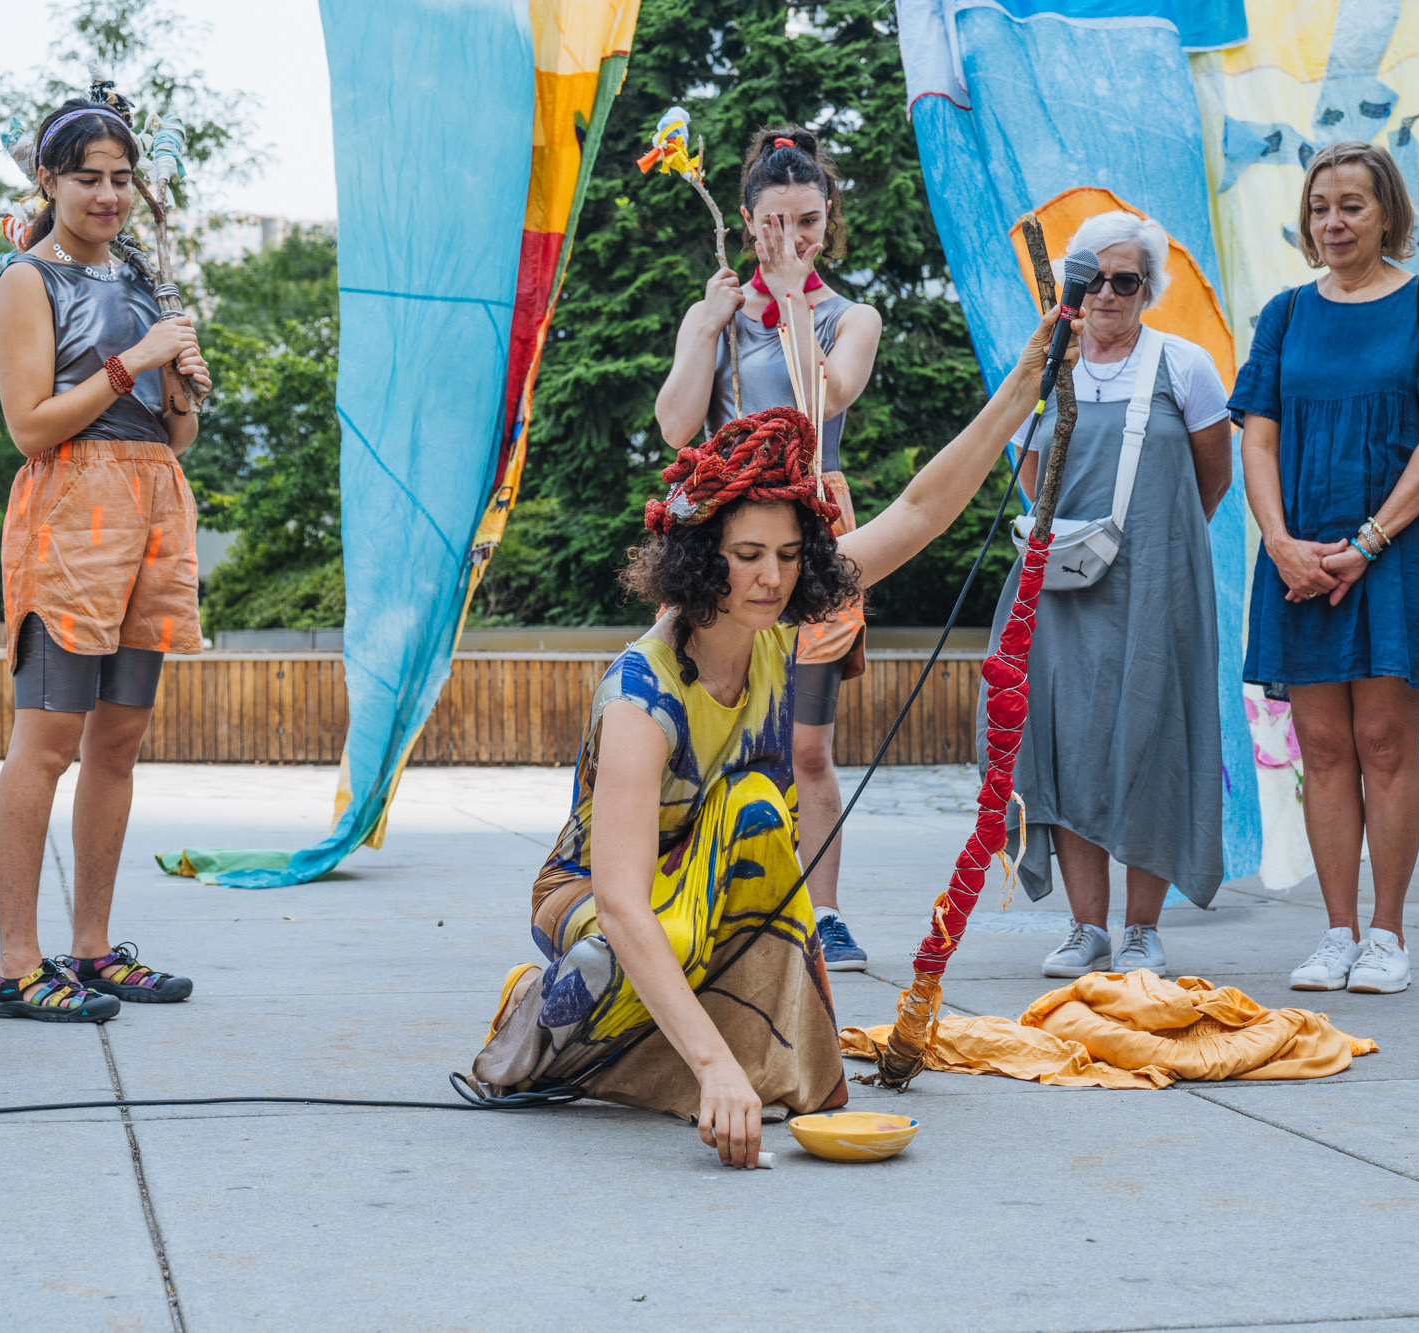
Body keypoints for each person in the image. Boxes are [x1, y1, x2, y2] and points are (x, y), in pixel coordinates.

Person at [474, 308, 1066, 1169]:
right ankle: (545, 1015)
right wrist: (714, 1065)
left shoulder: (780, 631)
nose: (772, 577)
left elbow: (919, 510)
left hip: (721, 884)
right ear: (700, 558)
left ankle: (709, 1053)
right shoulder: (642, 691)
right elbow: (629, 903)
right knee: (689, 899)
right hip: (607, 903)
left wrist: (1026, 384)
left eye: (789, 556)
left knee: (758, 812)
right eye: (748, 554)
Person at [1230, 140, 1419, 996]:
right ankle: (1335, 933)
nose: (1332, 221)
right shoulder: (1285, 314)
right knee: (1325, 744)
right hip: (1300, 554)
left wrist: (1367, 543)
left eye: (1351, 205)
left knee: (1383, 740)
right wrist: (1280, 542)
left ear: (1388, 214)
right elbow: (1256, 434)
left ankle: (1386, 934)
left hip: (1400, 552)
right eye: (1319, 207)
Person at [0, 98, 211, 1023]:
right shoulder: (25, 282)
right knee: (47, 745)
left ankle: (90, 948)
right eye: (88, 178)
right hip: (71, 512)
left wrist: (181, 384)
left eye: (121, 178)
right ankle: (14, 962)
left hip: (153, 506)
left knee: (117, 744)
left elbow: (178, 437)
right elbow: (29, 427)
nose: (109, 194)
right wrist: (131, 362)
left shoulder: (143, 281)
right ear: (50, 181)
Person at [654, 127, 882, 971]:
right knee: (702, 729)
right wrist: (710, 326)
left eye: (810, 223)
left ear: (828, 222)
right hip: (723, 540)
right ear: (748, 224)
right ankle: (692, 893)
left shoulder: (848, 317)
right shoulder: (710, 311)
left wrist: (790, 303)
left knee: (807, 743)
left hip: (812, 537)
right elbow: (678, 426)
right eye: (776, 223)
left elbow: (834, 395)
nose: (792, 240)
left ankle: (822, 913)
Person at [986, 212, 1233, 981]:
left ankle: (1141, 931)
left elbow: (1210, 479)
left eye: (1126, 280)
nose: (1107, 294)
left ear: (1148, 289)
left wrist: (1156, 546)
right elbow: (1030, 477)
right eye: (1091, 278)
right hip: (1060, 589)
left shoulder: (1184, 367)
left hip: (1158, 584)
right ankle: (1086, 927)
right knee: (1065, 741)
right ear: (1072, 285)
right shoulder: (1043, 369)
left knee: (1152, 738)